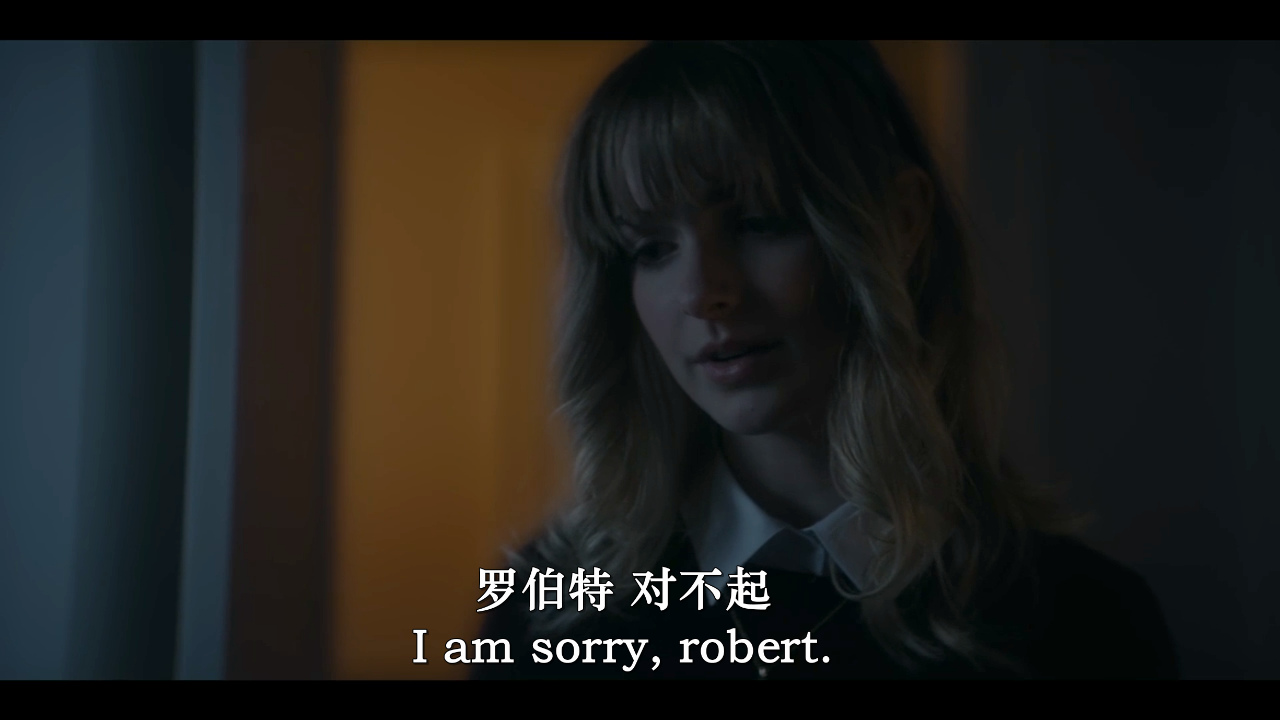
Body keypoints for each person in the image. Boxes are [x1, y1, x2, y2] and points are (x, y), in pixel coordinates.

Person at [471, 41, 1179, 679]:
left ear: (900, 221)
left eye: (758, 221)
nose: (704, 293)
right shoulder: (549, 615)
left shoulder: (1079, 620)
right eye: (651, 248)